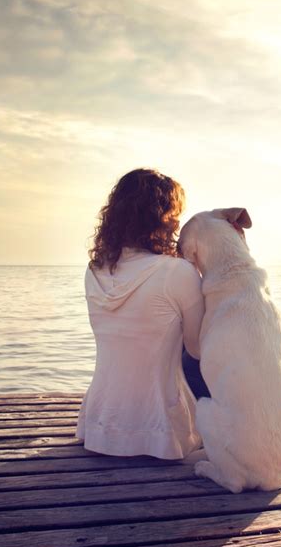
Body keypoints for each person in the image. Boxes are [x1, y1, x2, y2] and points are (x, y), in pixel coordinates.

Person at [76, 168, 205, 460]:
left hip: (99, 425)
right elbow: (197, 350)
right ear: (163, 218)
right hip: (161, 431)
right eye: (175, 214)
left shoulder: (94, 269)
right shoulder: (178, 272)